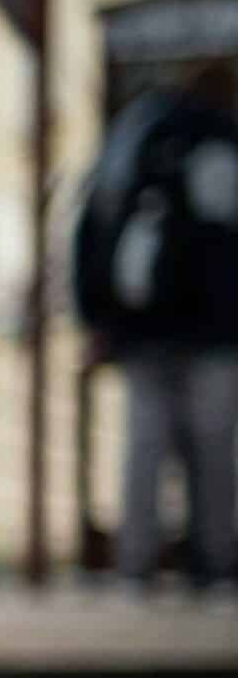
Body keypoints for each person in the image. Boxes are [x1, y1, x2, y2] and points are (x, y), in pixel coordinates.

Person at [74, 70, 238, 589]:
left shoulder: (131, 143)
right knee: (213, 448)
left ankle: (136, 566)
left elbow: (91, 232)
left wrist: (97, 317)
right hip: (212, 329)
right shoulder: (220, 142)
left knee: (144, 445)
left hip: (141, 329)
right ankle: (213, 563)